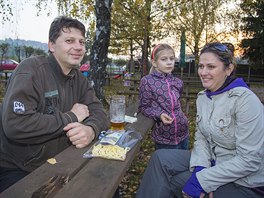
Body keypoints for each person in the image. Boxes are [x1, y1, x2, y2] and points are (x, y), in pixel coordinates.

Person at [136, 42, 264, 198]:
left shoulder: (244, 100)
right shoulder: (203, 97)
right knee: (160, 157)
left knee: (171, 182)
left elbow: (249, 161)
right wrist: (200, 168)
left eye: (211, 67)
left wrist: (203, 181)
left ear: (228, 69)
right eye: (201, 66)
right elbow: (202, 138)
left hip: (245, 181)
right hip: (213, 159)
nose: (203, 72)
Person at [0, 16, 109, 193]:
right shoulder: (31, 70)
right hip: (19, 167)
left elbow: (99, 112)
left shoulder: (78, 78)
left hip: (61, 159)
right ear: (51, 45)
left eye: (82, 41)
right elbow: (16, 124)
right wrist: (71, 117)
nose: (78, 47)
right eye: (69, 40)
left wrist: (91, 130)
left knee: (106, 185)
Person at [138, 43, 189, 150]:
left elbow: (178, 104)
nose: (169, 62)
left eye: (172, 58)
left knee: (182, 165)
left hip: (184, 134)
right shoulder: (147, 81)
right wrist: (159, 114)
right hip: (164, 138)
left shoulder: (178, 82)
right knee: (166, 165)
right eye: (164, 59)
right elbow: (144, 108)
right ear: (154, 63)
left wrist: (183, 118)